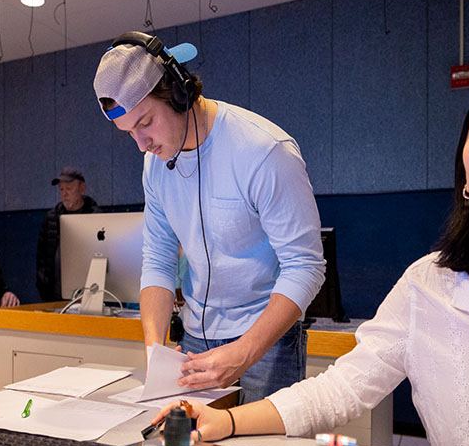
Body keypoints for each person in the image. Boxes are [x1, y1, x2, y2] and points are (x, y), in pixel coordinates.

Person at [153, 68, 469, 446]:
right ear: (465, 172)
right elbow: (341, 389)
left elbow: (304, 265)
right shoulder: (427, 286)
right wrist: (222, 421)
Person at [93, 32, 326, 402]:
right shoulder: (153, 166)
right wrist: (155, 347)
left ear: (177, 93)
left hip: (266, 346)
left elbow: (306, 266)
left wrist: (244, 351)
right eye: (128, 133)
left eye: (146, 123)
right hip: (194, 341)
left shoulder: (264, 152)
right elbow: (158, 259)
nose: (141, 144)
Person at [36, 167, 101, 301]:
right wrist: (43, 286)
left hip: (88, 293)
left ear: (82, 189)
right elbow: (41, 258)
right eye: (61, 189)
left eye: (69, 189)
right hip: (54, 295)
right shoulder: (51, 218)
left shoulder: (96, 217)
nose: (64, 194)